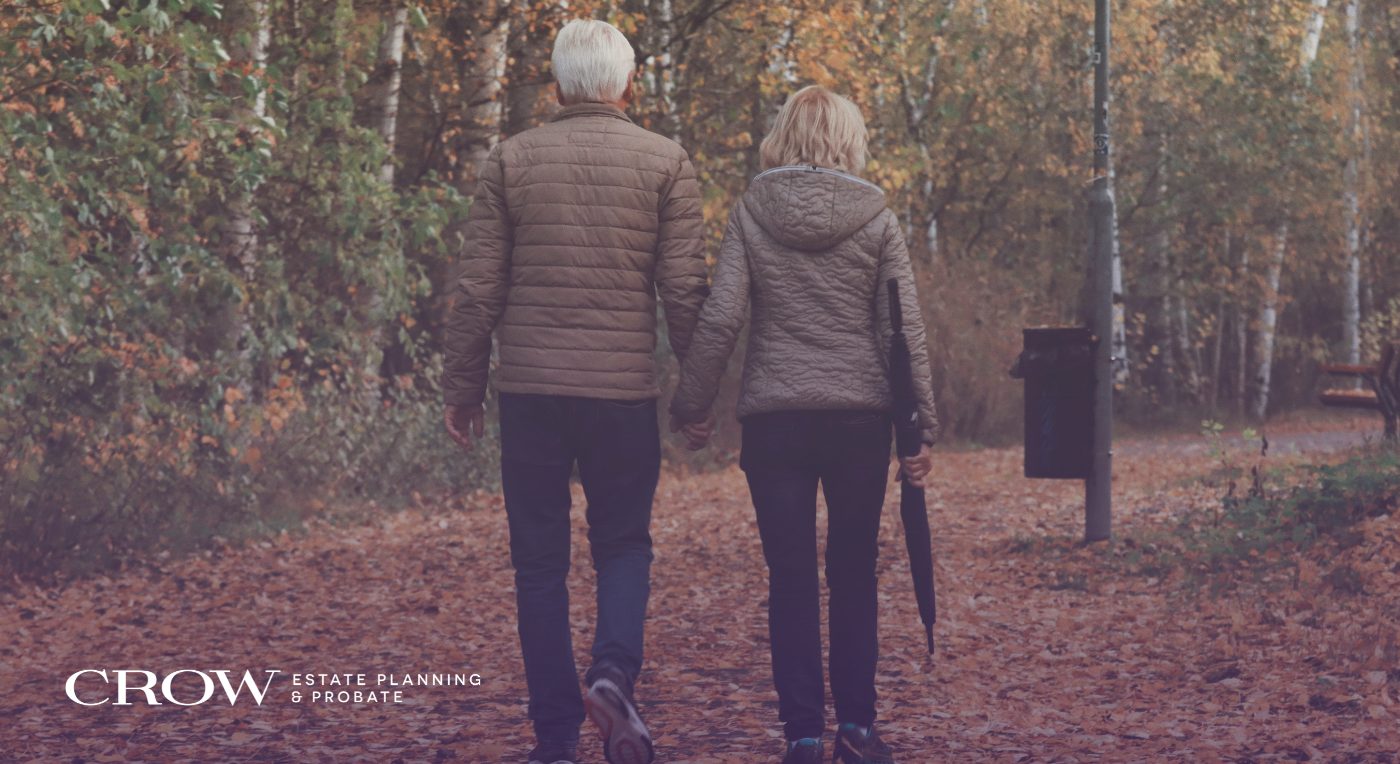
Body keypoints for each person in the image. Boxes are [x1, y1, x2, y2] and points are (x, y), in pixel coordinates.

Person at [441, 18, 708, 764]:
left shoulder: (511, 160)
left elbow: (478, 288)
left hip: (530, 394)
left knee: (539, 564)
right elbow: (685, 291)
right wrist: (697, 393)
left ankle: (555, 737)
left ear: (557, 87)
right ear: (627, 85)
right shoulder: (666, 162)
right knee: (623, 545)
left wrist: (462, 387)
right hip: (621, 392)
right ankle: (613, 674)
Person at [669, 85, 938, 764]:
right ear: (849, 141)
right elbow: (902, 333)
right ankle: (858, 730)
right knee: (852, 573)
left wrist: (692, 404)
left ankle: (803, 736)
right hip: (859, 422)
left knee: (788, 575)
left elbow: (723, 316)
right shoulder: (877, 218)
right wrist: (918, 430)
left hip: (777, 423)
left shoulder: (753, 213)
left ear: (784, 136)